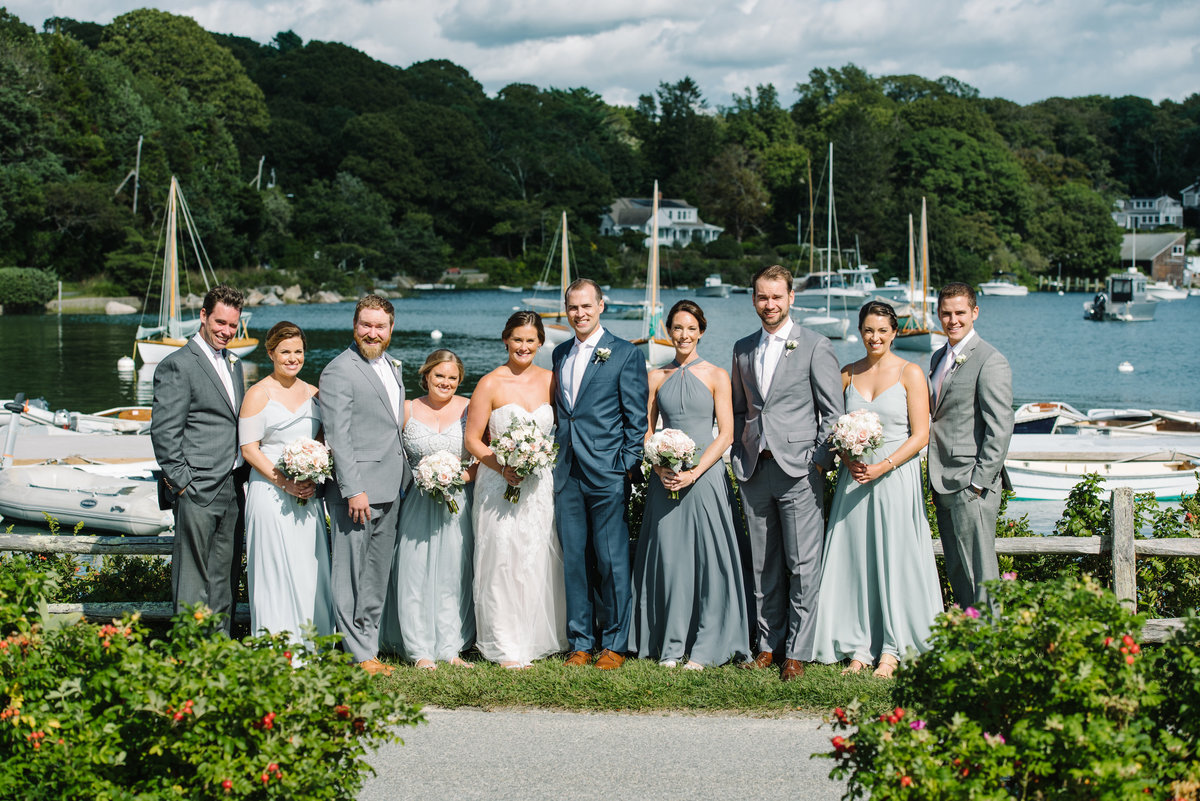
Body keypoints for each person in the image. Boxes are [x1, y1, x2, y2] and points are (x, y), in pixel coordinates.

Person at [811, 302, 943, 678]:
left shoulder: (910, 372)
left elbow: (921, 434)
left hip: (894, 477)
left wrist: (884, 465)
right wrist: (845, 454)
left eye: (883, 330)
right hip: (854, 480)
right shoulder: (848, 374)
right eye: (869, 330)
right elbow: (833, 427)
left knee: (894, 559)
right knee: (856, 560)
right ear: (860, 330)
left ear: (894, 332)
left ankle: (892, 648)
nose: (875, 337)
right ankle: (859, 645)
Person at [730, 264, 844, 682]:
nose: (770, 304)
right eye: (762, 296)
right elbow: (741, 409)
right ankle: (766, 646)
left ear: (791, 297)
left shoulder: (815, 345)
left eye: (777, 296)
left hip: (799, 470)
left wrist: (817, 461)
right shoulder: (742, 348)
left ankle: (797, 651)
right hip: (754, 467)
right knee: (763, 564)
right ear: (754, 299)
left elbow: (833, 414)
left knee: (802, 564)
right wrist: (739, 452)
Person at [631, 300, 750, 670]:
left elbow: (727, 433)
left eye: (691, 328)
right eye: (677, 328)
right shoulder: (655, 376)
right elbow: (646, 430)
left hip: (705, 477)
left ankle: (706, 644)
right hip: (665, 478)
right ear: (670, 331)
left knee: (708, 558)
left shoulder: (716, 375)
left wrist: (694, 471)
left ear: (701, 331)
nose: (684, 335)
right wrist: (658, 463)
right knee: (669, 558)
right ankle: (669, 642)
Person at [551, 279, 649, 670]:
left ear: (601, 306)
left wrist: (622, 467)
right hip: (567, 471)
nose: (580, 314)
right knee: (574, 558)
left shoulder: (625, 354)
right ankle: (580, 641)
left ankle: (614, 644)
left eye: (587, 306)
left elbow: (636, 420)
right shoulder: (559, 352)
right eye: (573, 307)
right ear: (567, 309)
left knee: (611, 560)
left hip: (607, 471)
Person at [465, 312, 566, 668]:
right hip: (498, 484)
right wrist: (502, 467)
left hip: (538, 484)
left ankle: (537, 636)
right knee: (502, 557)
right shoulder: (490, 383)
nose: (524, 347)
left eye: (531, 340)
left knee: (536, 553)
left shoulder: (553, 381)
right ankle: (503, 642)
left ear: (541, 342)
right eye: (517, 339)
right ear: (505, 339)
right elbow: (473, 440)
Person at [320, 295, 410, 676]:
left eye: (380, 326)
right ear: (354, 326)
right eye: (365, 325)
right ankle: (357, 654)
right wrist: (352, 488)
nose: (372, 333)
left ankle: (368, 645)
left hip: (391, 485)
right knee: (350, 574)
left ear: (391, 329)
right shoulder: (339, 371)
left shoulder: (392, 366)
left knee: (375, 572)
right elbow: (338, 436)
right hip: (357, 492)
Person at [150, 284, 248, 634]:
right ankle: (190, 653)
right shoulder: (178, 365)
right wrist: (183, 484)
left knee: (225, 576)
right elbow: (163, 433)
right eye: (220, 322)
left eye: (232, 326)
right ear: (203, 316)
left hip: (233, 486)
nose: (226, 331)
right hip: (197, 489)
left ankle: (219, 650)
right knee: (193, 579)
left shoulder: (234, 364)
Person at [238, 321, 335, 647]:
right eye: (285, 352)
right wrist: (284, 482)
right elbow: (249, 449)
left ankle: (314, 647)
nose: (293, 358)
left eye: (298, 352)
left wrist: (313, 472)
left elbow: (321, 440)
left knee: (309, 569)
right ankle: (277, 650)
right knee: (275, 572)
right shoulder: (258, 393)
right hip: (270, 494)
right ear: (270, 353)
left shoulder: (314, 394)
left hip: (307, 495)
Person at [380, 349, 477, 669]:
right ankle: (419, 649)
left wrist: (455, 477)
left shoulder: (469, 407)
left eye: (452, 378)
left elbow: (479, 459)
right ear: (426, 376)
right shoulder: (407, 408)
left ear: (460, 380)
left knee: (454, 574)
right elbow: (390, 454)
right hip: (417, 503)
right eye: (439, 376)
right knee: (413, 573)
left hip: (456, 503)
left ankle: (450, 648)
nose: (445, 382)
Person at [927, 282, 1014, 611]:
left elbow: (1000, 426)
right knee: (958, 570)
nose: (953, 320)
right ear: (938, 315)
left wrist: (980, 480)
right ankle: (970, 643)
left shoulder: (990, 360)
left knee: (981, 575)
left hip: (971, 484)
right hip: (943, 478)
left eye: (960, 313)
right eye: (946, 313)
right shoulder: (939, 357)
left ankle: (991, 646)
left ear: (974, 313)